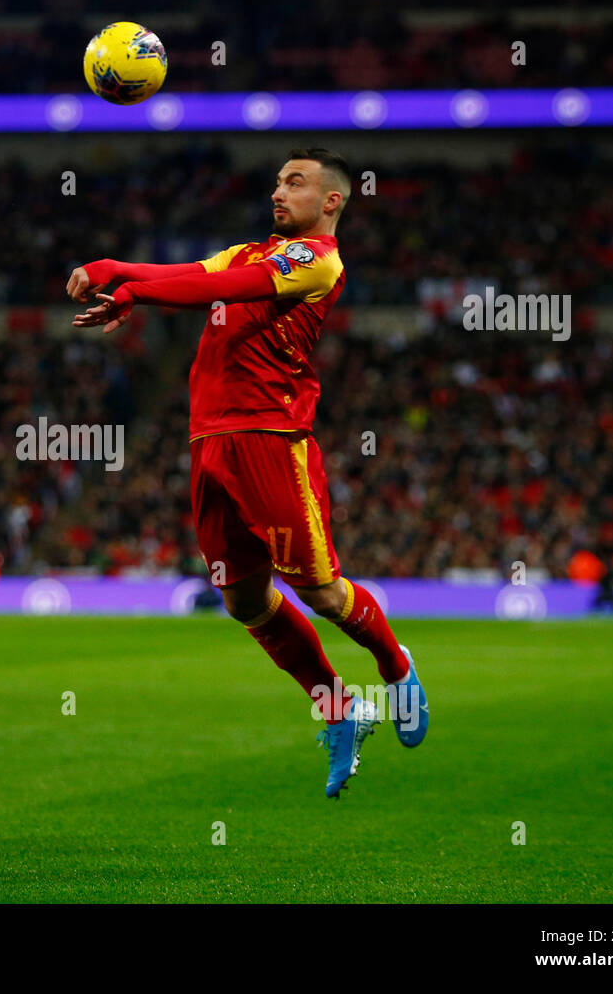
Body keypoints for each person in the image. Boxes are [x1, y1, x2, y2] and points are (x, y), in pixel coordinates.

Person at [67, 148, 429, 797]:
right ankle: (338, 707)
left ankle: (396, 667)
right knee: (242, 600)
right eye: (278, 180)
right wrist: (116, 269)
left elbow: (217, 290)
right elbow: (189, 271)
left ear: (332, 201)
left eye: (296, 182)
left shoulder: (315, 261)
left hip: (271, 440)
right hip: (209, 444)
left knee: (321, 592)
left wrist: (130, 292)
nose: (278, 191)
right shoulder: (247, 251)